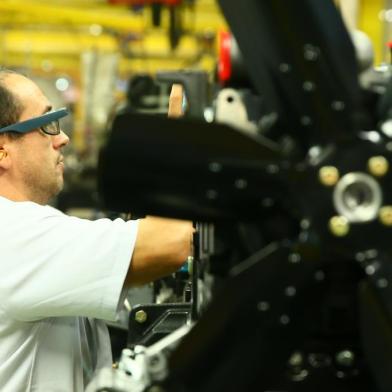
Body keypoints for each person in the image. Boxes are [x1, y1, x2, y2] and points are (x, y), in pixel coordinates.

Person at [0, 68, 193, 391]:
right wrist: (178, 154)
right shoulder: (13, 234)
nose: (62, 138)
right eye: (47, 125)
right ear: (3, 150)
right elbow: (173, 244)